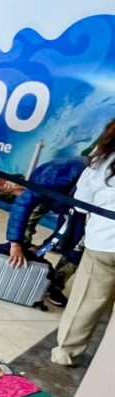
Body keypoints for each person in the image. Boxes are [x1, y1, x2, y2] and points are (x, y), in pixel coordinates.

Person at [51, 119, 115, 366]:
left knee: (87, 301)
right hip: (104, 238)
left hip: (103, 241)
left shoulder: (102, 158)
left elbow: (81, 203)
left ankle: (66, 352)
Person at [4, 156, 89, 307]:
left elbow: (69, 231)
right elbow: (21, 207)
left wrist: (46, 246)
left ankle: (55, 285)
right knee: (25, 224)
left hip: (79, 205)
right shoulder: (43, 180)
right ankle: (19, 261)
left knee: (76, 244)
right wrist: (16, 243)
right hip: (47, 192)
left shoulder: (89, 186)